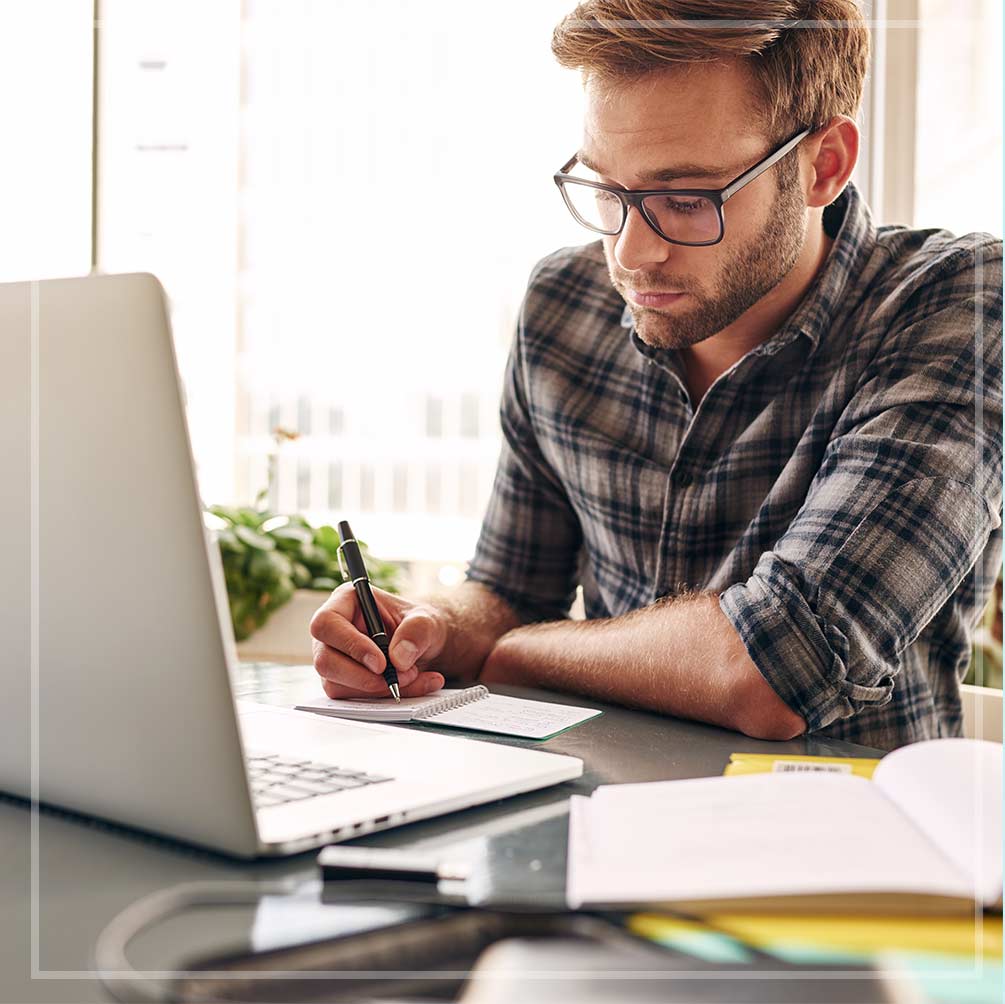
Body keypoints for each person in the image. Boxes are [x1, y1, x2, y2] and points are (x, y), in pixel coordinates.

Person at [310, 0, 1003, 750]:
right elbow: (511, 592)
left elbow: (779, 667)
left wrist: (504, 656)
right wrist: (437, 632)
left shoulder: (958, 301)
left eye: (684, 198)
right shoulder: (562, 305)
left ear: (822, 165)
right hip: (592, 819)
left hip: (841, 843)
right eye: (607, 192)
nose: (631, 254)